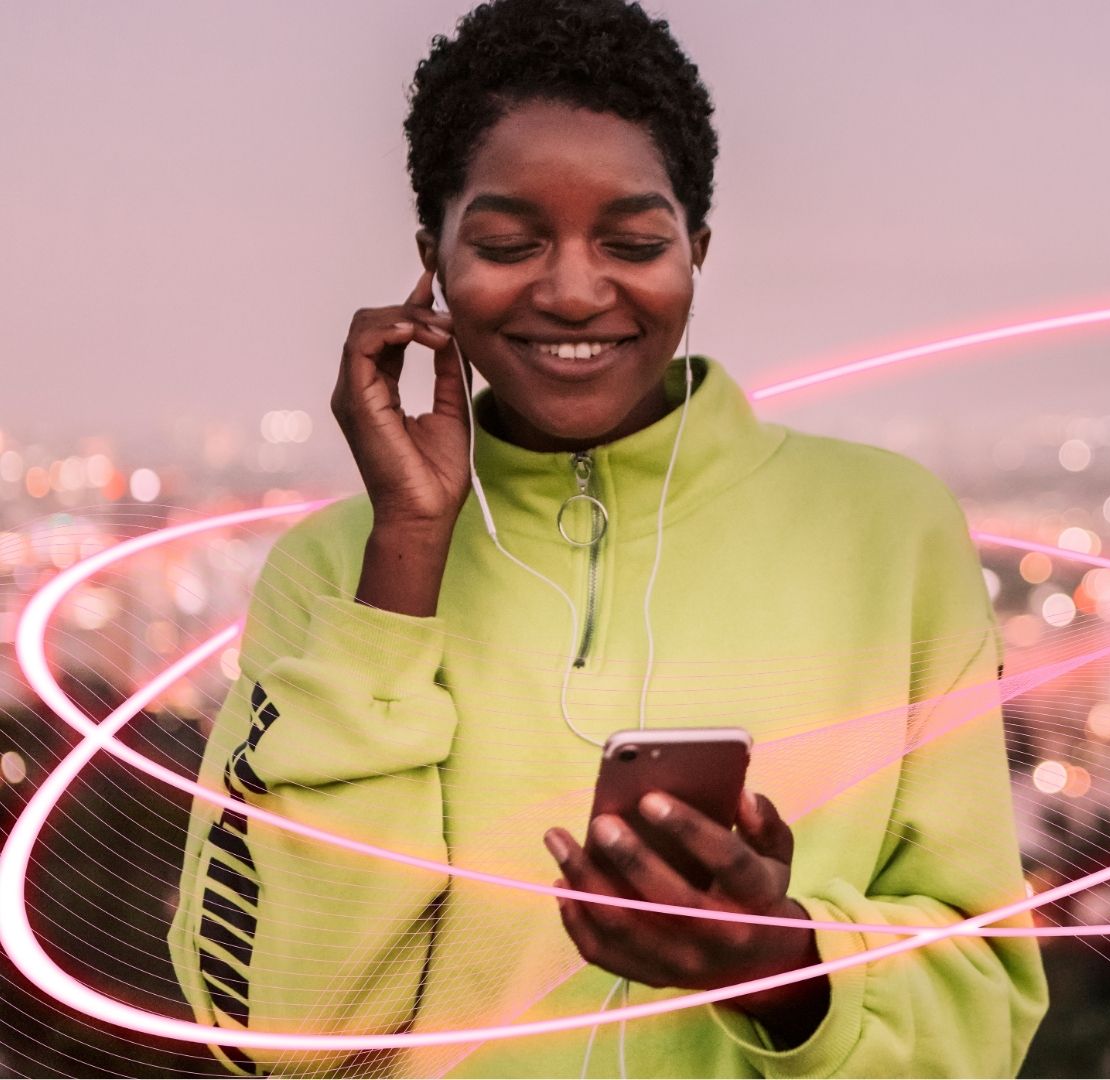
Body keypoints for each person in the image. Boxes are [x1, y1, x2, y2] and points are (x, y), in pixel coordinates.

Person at [165, 1, 1047, 1075]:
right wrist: (405, 553)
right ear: (430, 260)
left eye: (633, 242)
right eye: (503, 243)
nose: (576, 291)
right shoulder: (335, 573)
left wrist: (781, 965)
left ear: (697, 252)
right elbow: (276, 1036)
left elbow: (987, 1008)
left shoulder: (889, 531)